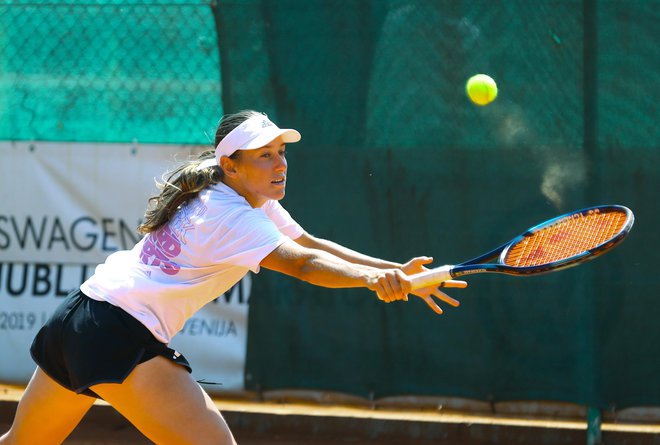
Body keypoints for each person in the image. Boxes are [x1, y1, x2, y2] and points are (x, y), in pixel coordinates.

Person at [0, 110, 466, 445]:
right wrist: (371, 283)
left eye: (281, 152)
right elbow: (302, 266)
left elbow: (310, 245)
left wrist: (391, 271)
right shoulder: (233, 217)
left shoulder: (232, 192)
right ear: (232, 164)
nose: (280, 164)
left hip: (76, 318)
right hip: (118, 334)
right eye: (264, 155)